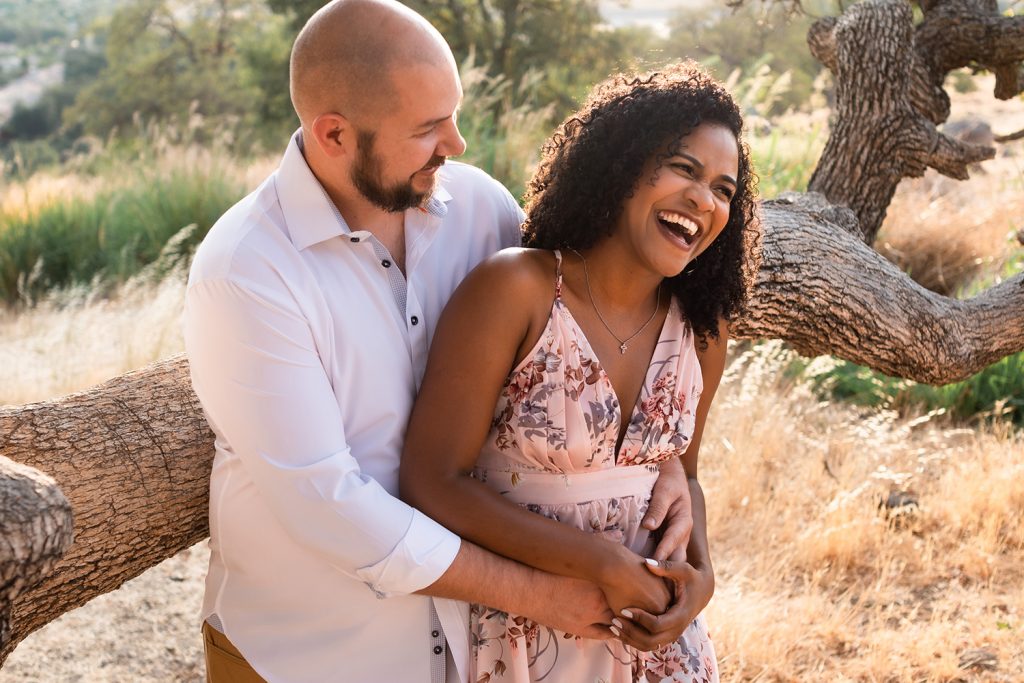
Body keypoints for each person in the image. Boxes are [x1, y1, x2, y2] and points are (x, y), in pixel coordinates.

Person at [183, 1, 696, 681]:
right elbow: (331, 508)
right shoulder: (247, 272)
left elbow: (579, 333)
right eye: (427, 128)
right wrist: (539, 593)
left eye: (453, 114)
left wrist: (661, 463)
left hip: (473, 654)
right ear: (333, 134)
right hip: (310, 657)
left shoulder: (482, 208)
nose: (455, 142)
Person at [400, 62, 759, 682]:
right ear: (621, 165)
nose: (704, 200)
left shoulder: (702, 326)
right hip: (529, 632)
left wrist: (700, 582)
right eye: (684, 168)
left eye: (724, 190)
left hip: (660, 643)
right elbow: (432, 481)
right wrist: (599, 562)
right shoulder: (518, 289)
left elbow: (685, 479)